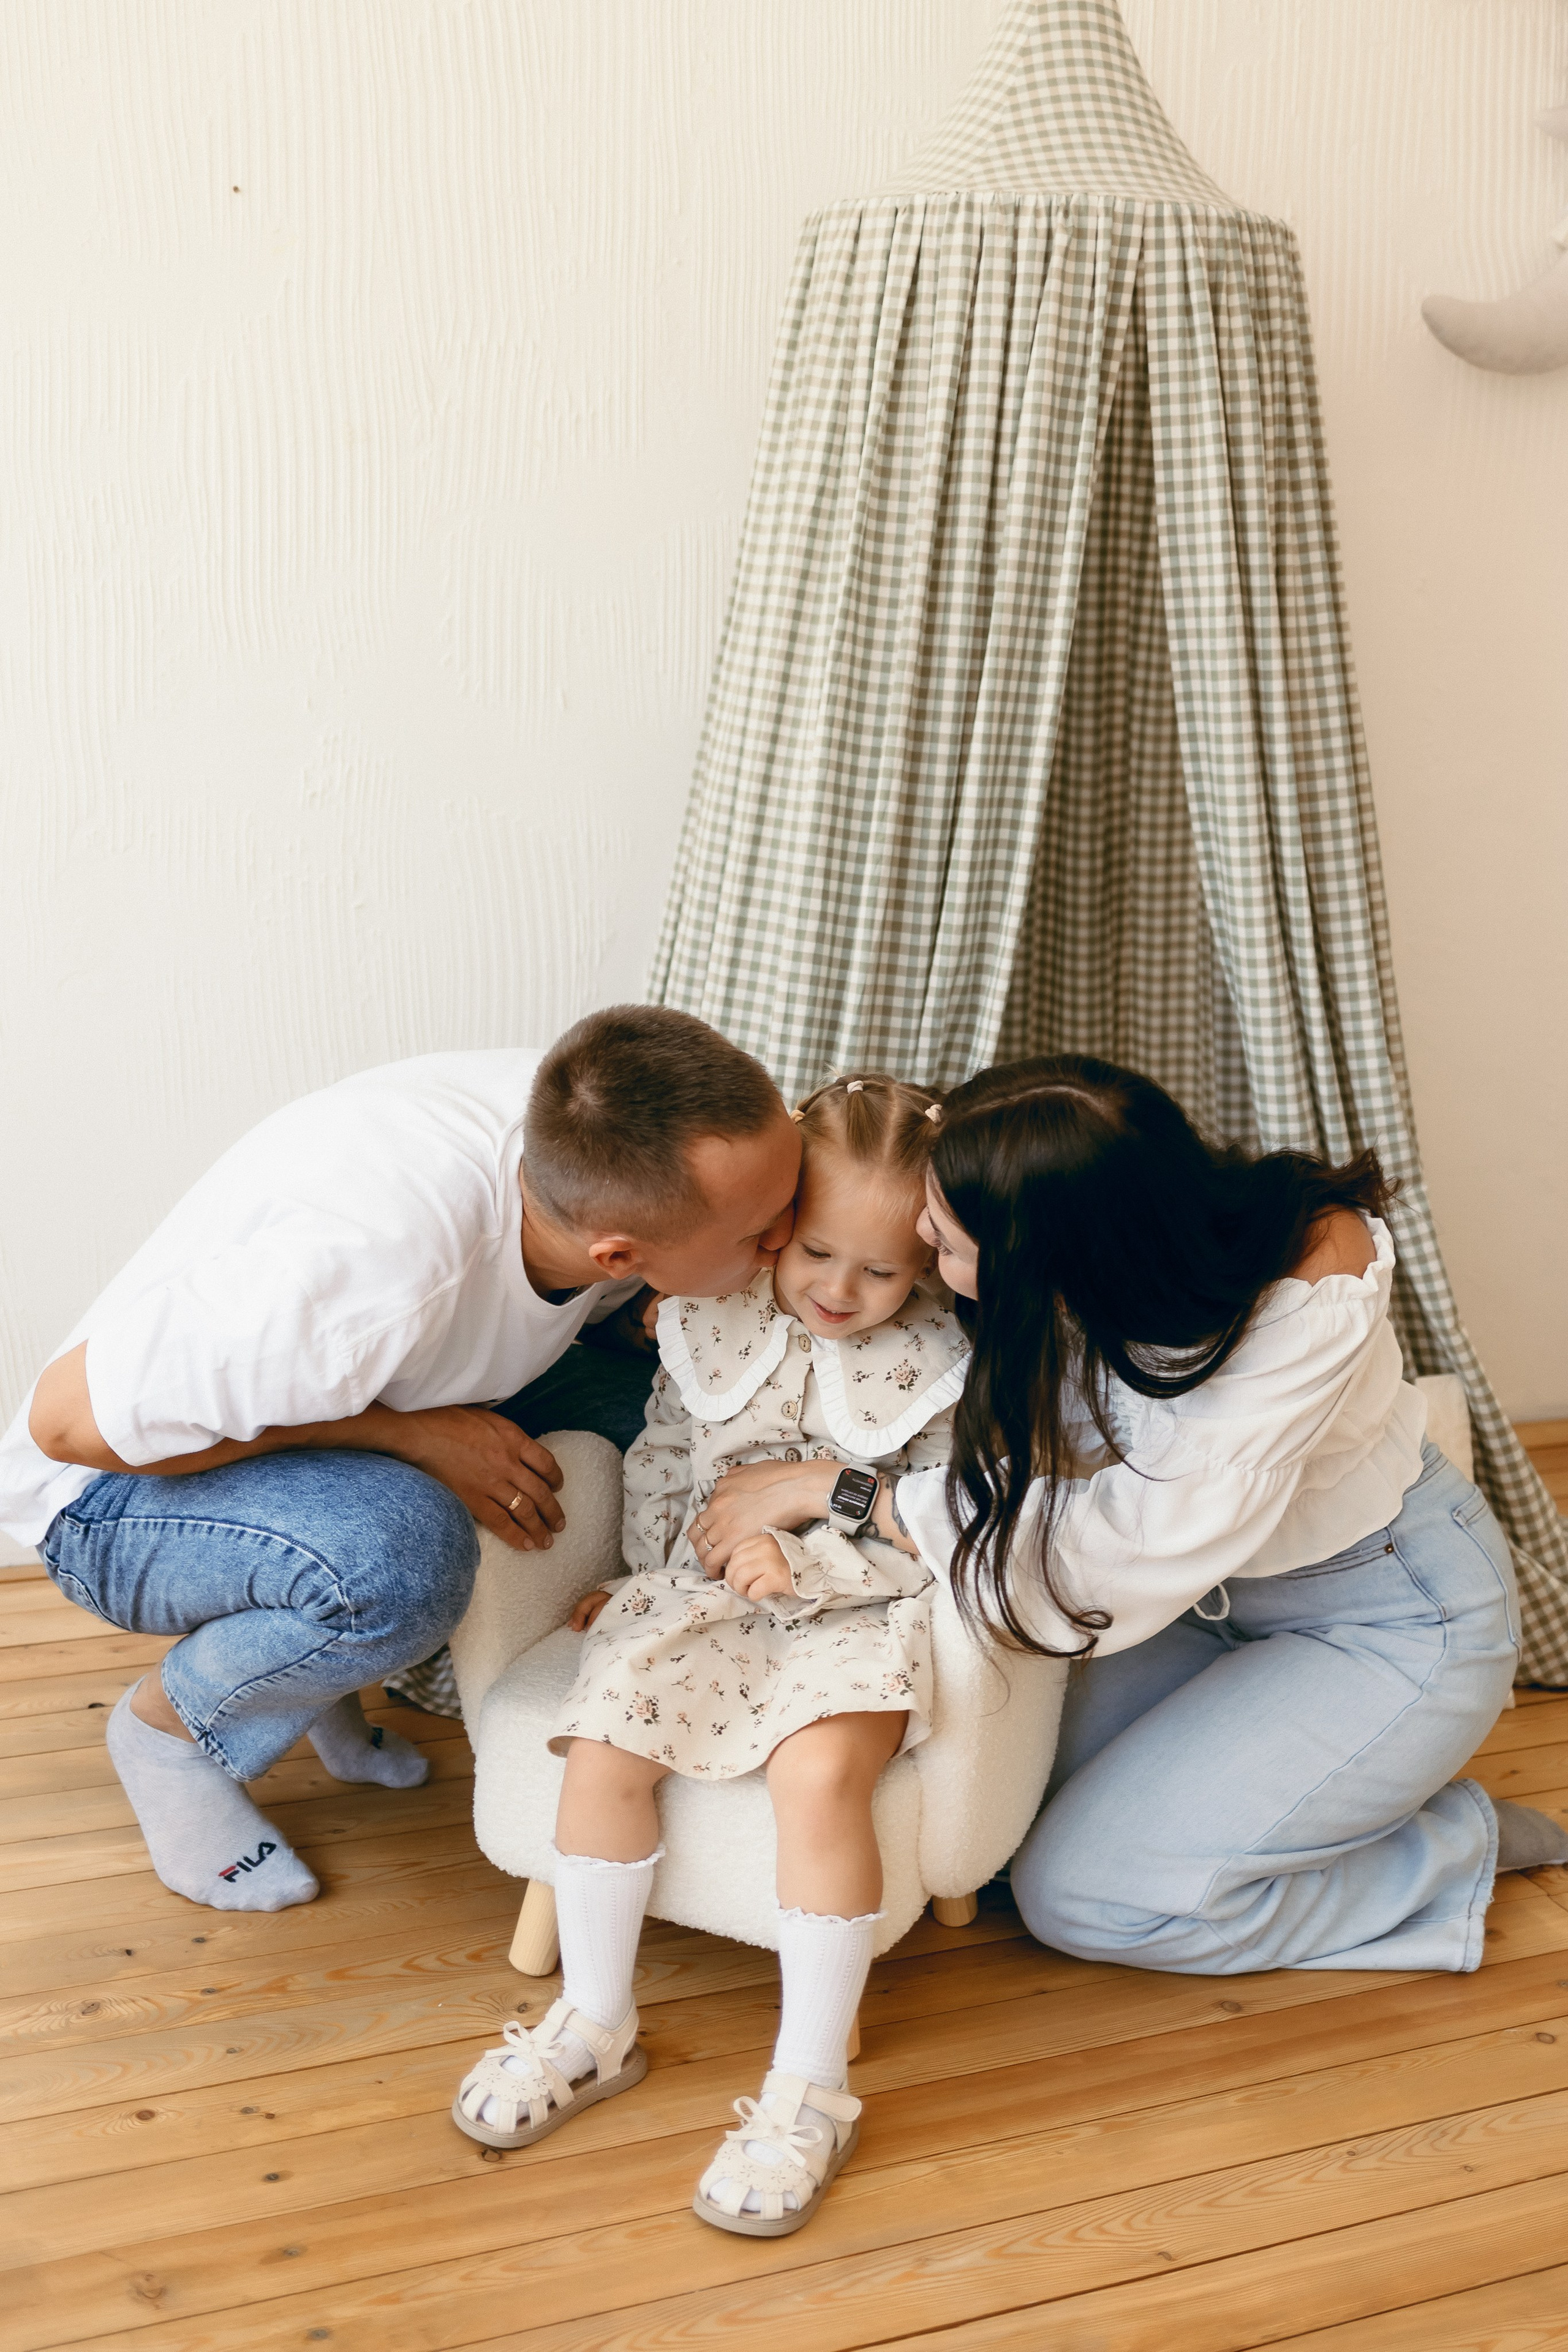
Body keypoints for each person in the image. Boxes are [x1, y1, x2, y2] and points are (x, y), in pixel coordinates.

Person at [693, 1054, 1557, 1974]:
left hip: (1388, 1618)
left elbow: (1125, 1537)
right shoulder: (1088, 1253)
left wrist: (844, 1489)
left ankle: (1448, 1847)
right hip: (1207, 1613)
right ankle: (1316, 1815)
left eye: (942, 1243)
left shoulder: (1306, 1295)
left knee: (1090, 1898)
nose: (924, 1255)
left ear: (1051, 1258)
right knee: (1002, 1808)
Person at [2, 1007, 801, 1915]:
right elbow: (66, 1426)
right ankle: (174, 1734)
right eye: (761, 1233)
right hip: (110, 1499)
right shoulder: (366, 1269)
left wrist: (633, 1319)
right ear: (616, 1252)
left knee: (696, 1415)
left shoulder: (601, 1132)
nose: (783, 1243)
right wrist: (408, 1434)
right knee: (403, 1558)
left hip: (381, 1390)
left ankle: (316, 1685)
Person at [450, 1074, 971, 2238]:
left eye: (880, 1270)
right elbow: (670, 1457)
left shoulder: (938, 1369)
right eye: (819, 1252)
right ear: (780, 1229)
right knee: (603, 1741)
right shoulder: (710, 1317)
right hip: (696, 1595)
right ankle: (593, 2022)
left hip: (857, 1613)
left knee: (819, 1776)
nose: (841, 1291)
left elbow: (946, 1526)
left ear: (926, 1268)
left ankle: (808, 2089)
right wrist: (645, 1576)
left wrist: (809, 1569)